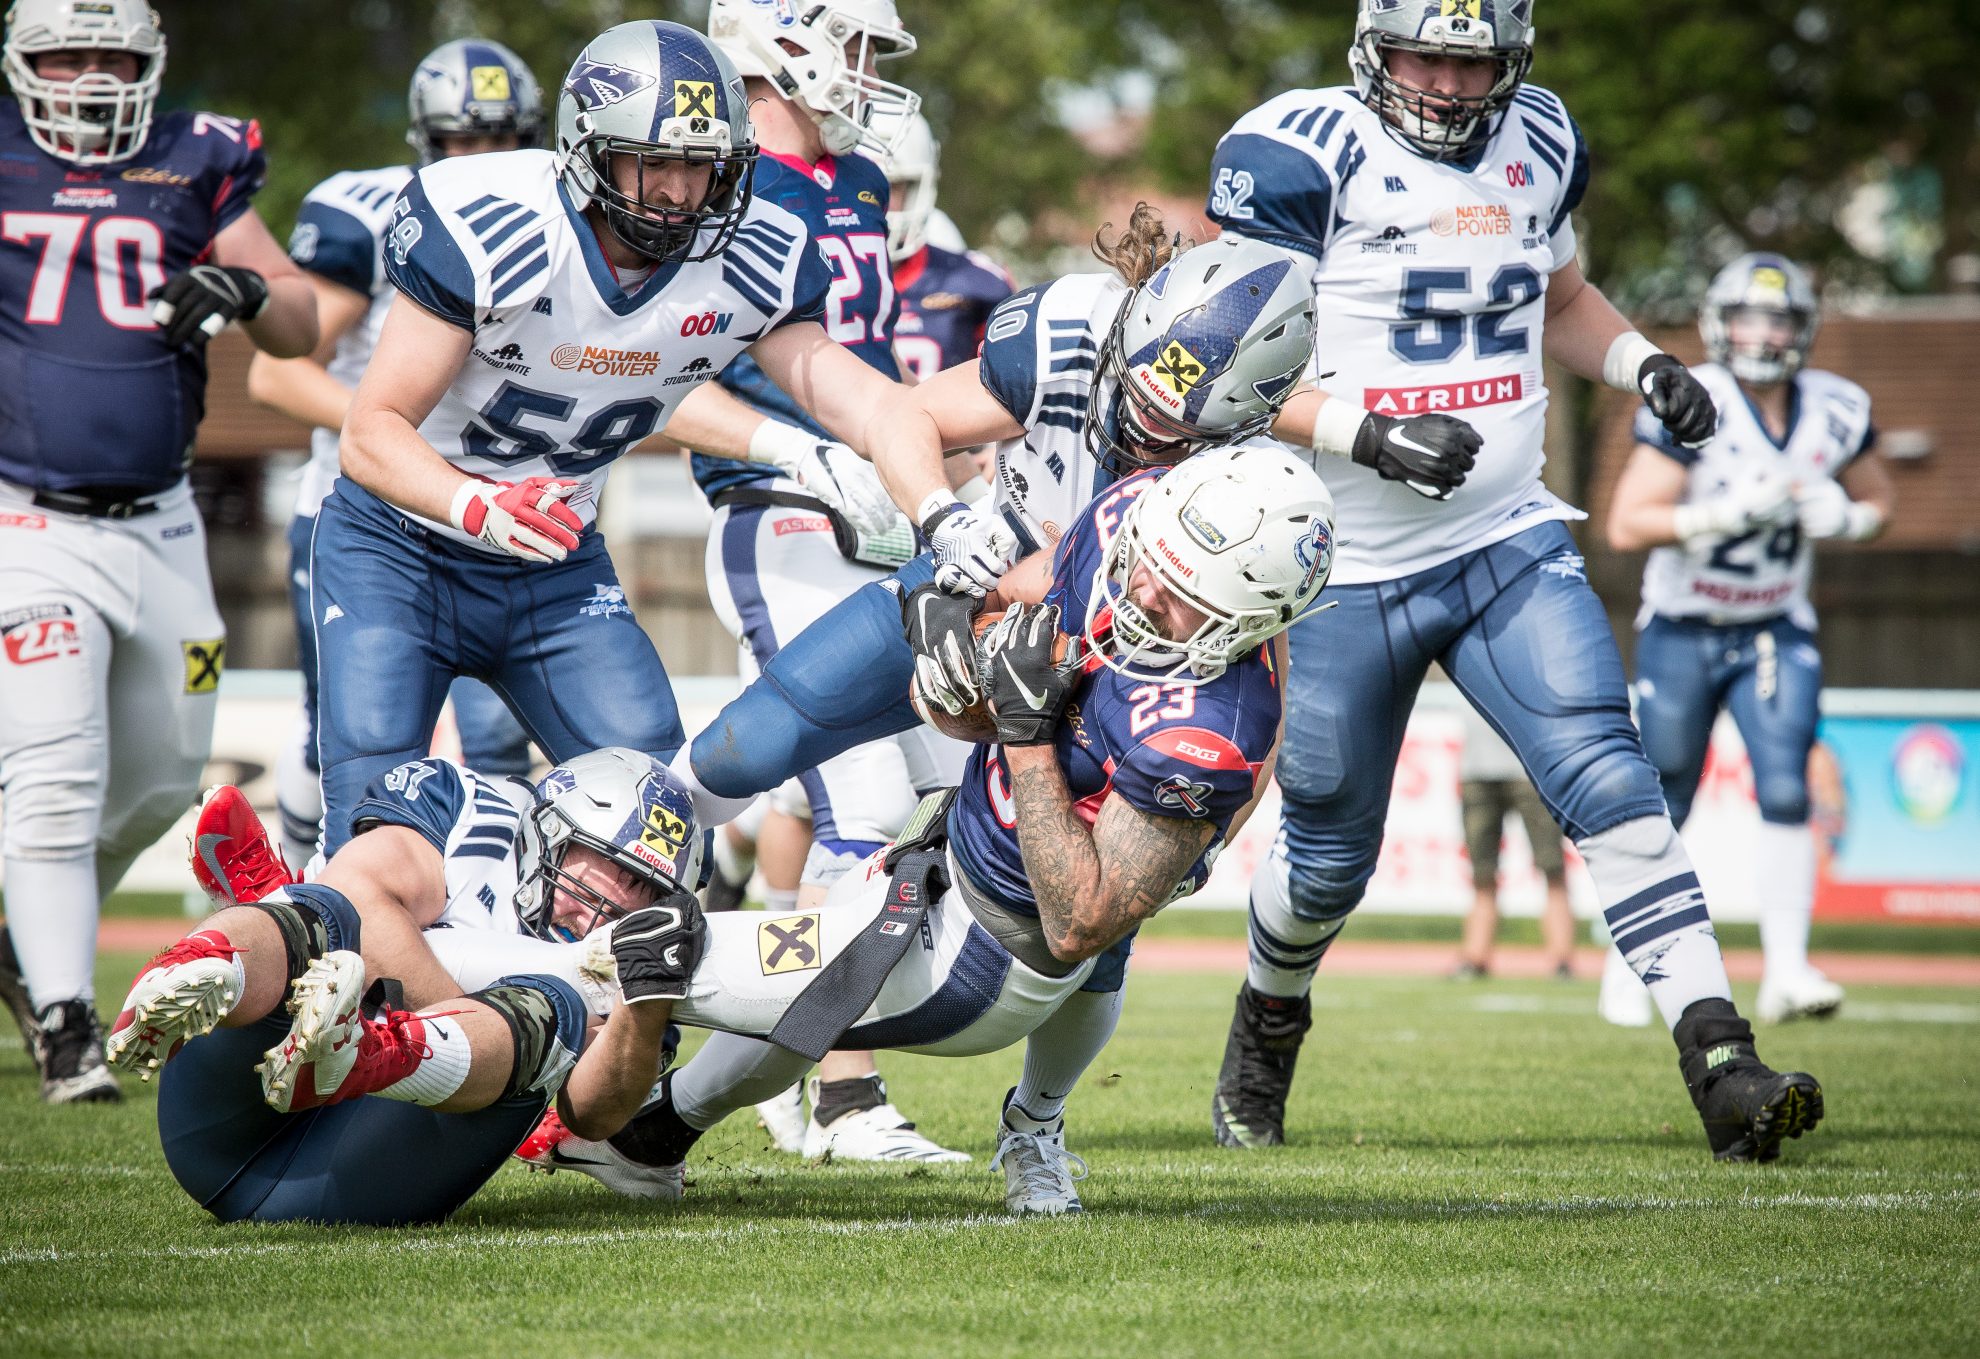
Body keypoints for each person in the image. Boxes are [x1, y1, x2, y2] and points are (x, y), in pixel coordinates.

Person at [1201, 0, 1824, 1162]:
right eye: (1421, 56)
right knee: (1329, 853)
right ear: (1373, 50)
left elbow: (1560, 296)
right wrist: (1361, 431)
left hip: (1505, 539)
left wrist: (1645, 365)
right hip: (1341, 559)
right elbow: (1209, 361)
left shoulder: (1540, 135)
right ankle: (1266, 1023)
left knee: (1608, 771)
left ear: (1511, 61)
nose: (1443, 83)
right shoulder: (1299, 151)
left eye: (1469, 60)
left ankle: (1721, 1060)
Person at [665, 224, 1323, 1206]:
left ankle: (1034, 1128)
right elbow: (898, 415)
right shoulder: (1068, 329)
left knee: (1096, 934)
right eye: (1135, 390)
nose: (1145, 429)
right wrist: (940, 519)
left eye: (1177, 426)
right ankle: (587, 931)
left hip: (1106, 657)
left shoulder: (1246, 477)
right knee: (740, 748)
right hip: (966, 579)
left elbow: (1254, 659)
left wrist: (1215, 827)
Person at [559, 444, 1336, 1216]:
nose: (1140, 591)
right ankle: (647, 1141)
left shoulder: (1207, 728)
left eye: (1178, 595)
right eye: (1149, 562)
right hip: (946, 844)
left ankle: (502, 1030)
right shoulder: (1134, 517)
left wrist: (1028, 736)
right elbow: (1016, 611)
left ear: (1248, 623)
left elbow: (1078, 925)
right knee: (805, 1000)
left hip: (991, 958)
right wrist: (962, 630)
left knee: (659, 956)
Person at [313, 19, 907, 872]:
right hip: (400, 548)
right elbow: (369, 434)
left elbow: (863, 399)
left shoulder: (745, 254)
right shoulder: (498, 223)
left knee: (658, 821)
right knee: (371, 820)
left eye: (699, 164)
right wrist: (474, 502)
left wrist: (861, 465)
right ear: (590, 150)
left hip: (553, 562)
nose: (675, 190)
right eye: (652, 160)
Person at [0, 0, 318, 1103]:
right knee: (53, 777)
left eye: (111, 56)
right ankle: (64, 1019)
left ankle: (21, 931)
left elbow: (305, 323)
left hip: (164, 524)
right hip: (25, 521)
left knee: (156, 785)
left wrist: (252, 293)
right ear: (22, 62)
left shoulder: (195, 156)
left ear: (151, 64)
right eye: (65, 55)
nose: (89, 77)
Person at [669, 0, 969, 1163]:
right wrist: (802, 453)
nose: (864, 71)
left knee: (939, 800)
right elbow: (674, 369)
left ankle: (762, 1058)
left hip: (881, 519)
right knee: (863, 811)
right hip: (782, 514)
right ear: (778, 38)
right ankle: (842, 1097)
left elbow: (876, 368)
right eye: (849, 43)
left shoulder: (848, 177)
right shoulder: (717, 177)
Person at [105, 746, 708, 1223]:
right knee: (330, 913)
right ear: (547, 830)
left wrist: (643, 1009)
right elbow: (358, 893)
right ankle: (208, 962)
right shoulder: (475, 811)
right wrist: (470, 1029)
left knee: (556, 1011)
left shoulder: (651, 941)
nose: (605, 914)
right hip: (223, 1106)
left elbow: (594, 1116)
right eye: (604, 873)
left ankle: (369, 1049)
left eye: (642, 894)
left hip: (362, 1176)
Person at [246, 37, 543, 872]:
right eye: (462, 140)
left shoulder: (556, 216)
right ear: (426, 139)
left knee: (495, 737)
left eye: (501, 138)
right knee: (344, 730)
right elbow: (277, 374)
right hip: (363, 510)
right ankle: (302, 901)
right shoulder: (375, 209)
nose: (483, 158)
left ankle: (503, 930)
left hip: (489, 516)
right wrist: (397, 436)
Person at [1606, 253, 1891, 1024]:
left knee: (1789, 785)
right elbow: (1627, 522)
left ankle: (1789, 968)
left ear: (1803, 330)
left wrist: (1855, 518)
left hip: (1773, 621)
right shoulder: (1698, 399)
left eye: (1778, 318)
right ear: (1717, 324)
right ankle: (1634, 959)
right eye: (1748, 317)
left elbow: (1878, 499)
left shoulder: (1836, 407)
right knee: (1666, 790)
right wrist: (1717, 518)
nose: (1762, 333)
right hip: (1684, 625)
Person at [876, 110, 1014, 384]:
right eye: (861, 188)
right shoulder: (813, 274)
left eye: (890, 186)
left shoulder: (980, 282)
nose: (875, 200)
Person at [1452, 701, 1575, 980]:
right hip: (1477, 769)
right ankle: (1475, 956)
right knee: (1481, 873)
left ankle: (1562, 959)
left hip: (1531, 770)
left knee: (1551, 867)